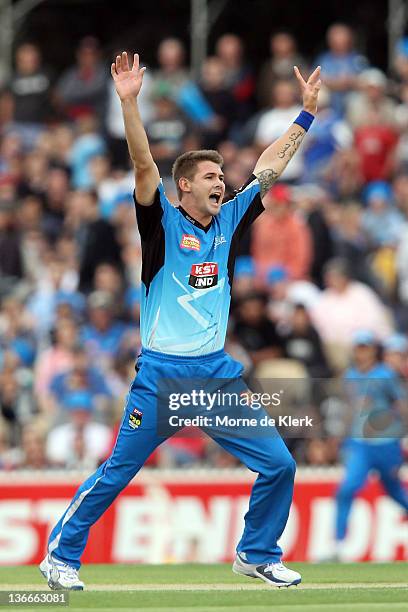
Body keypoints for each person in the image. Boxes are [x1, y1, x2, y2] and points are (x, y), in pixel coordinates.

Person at [39, 51, 321, 590]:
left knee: (280, 464)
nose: (222, 182)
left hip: (215, 376)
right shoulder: (161, 225)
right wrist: (129, 103)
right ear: (185, 186)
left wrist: (305, 114)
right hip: (161, 378)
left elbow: (270, 166)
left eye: (222, 176)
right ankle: (61, 556)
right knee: (119, 471)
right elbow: (144, 166)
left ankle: (256, 553)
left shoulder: (231, 219)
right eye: (211, 176)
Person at [334, 330, 408, 560]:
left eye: (366, 347)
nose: (362, 352)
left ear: (374, 350)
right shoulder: (350, 376)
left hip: (386, 442)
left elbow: (402, 405)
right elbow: (349, 410)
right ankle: (338, 544)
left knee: (395, 491)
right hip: (359, 443)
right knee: (347, 488)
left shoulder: (386, 375)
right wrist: (340, 438)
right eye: (359, 347)